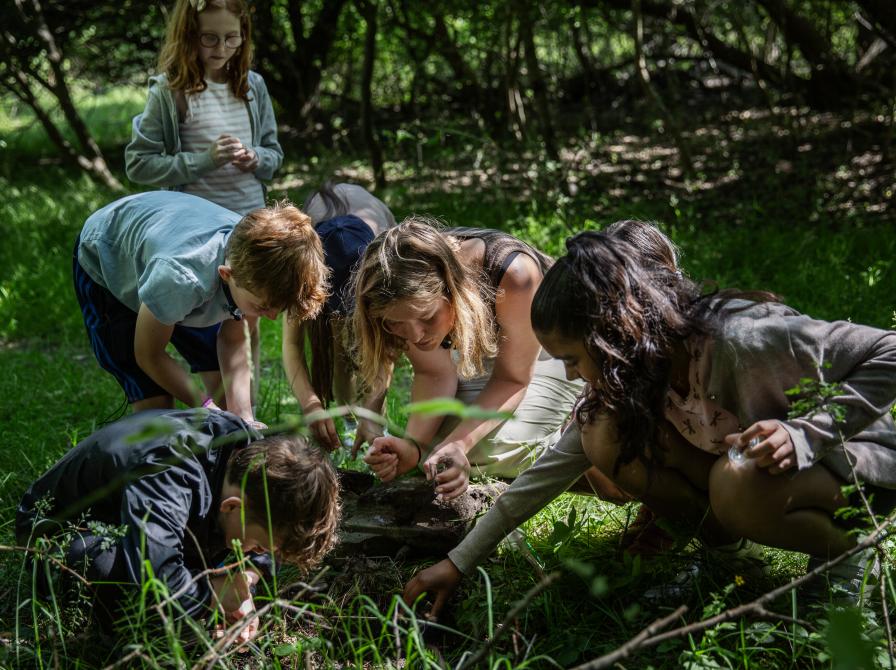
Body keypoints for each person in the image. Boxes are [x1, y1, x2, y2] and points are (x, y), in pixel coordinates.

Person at [402, 221, 896, 617]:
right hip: (761, 472)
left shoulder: (741, 338)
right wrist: (459, 562)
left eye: (573, 358)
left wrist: (805, 432)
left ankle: (847, 561)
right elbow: (544, 474)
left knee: (735, 478)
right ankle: (725, 559)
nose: (570, 374)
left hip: (852, 466)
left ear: (612, 337)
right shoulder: (634, 376)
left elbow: (887, 352)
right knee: (602, 434)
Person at [17, 409, 340, 638]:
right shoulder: (168, 475)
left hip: (147, 525)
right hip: (61, 532)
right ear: (232, 506)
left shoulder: (256, 458)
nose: (260, 551)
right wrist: (212, 596)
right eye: (257, 545)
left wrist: (246, 577)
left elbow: (268, 544)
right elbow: (156, 579)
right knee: (108, 573)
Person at [357, 218, 585, 499]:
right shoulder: (407, 289)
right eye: (396, 324)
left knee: (491, 449)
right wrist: (414, 448)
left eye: (427, 318)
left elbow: (512, 378)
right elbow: (435, 374)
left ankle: (576, 438)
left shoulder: (513, 274)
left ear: (450, 288)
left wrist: (460, 444)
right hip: (490, 347)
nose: (415, 336)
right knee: (436, 450)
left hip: (554, 347)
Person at [73, 191, 327, 424]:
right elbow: (149, 355)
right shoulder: (180, 279)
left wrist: (244, 417)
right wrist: (204, 406)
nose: (271, 317)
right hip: (108, 258)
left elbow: (233, 341)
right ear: (227, 275)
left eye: (278, 309)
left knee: (225, 396)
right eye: (263, 307)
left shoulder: (254, 265)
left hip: (174, 269)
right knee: (158, 403)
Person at [124, 0, 282, 216]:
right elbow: (139, 165)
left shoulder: (253, 85)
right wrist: (205, 161)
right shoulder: (170, 90)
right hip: (195, 226)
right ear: (188, 34)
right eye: (209, 38)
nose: (221, 48)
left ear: (243, 34)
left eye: (231, 37)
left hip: (251, 223)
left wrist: (256, 157)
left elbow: (274, 154)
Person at [282, 182, 397, 451]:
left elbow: (388, 348)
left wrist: (372, 413)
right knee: (337, 345)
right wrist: (312, 406)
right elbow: (292, 344)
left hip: (375, 238)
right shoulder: (302, 265)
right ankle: (347, 421)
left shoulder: (387, 257)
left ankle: (372, 419)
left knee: (374, 341)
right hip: (318, 253)